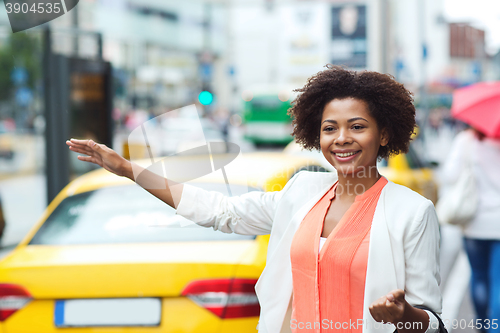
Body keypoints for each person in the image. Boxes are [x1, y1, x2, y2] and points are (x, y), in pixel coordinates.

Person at [66, 65, 442, 333]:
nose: (341, 138)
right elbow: (220, 211)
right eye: (330, 128)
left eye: (357, 126)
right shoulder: (301, 193)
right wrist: (130, 169)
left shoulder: (412, 212)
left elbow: (433, 322)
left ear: (384, 133)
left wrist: (404, 315)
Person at [440, 127, 500, 330]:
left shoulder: (466, 140)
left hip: (475, 223)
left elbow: (450, 175)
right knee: (498, 282)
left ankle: (483, 324)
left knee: (479, 276)